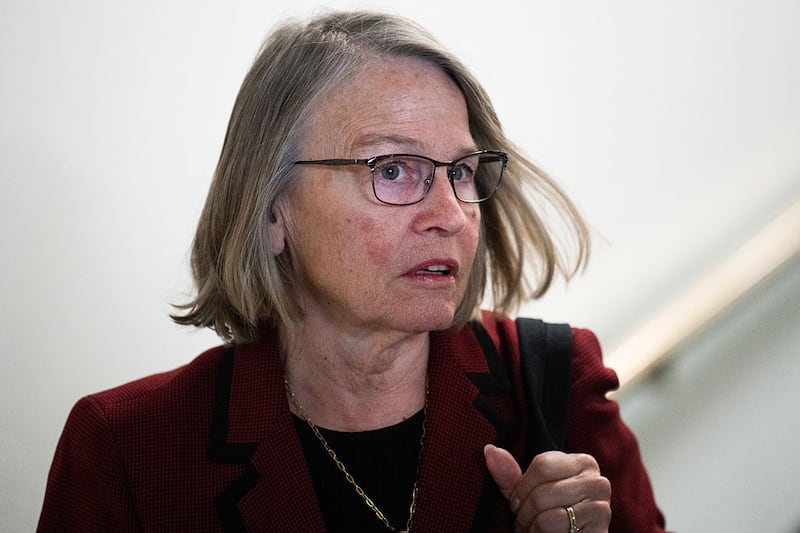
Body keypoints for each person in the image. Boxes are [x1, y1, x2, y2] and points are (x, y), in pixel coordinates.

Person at [38, 10, 668, 533]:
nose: (449, 214)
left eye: (461, 171)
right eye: (392, 170)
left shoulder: (554, 387)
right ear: (272, 210)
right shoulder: (128, 449)